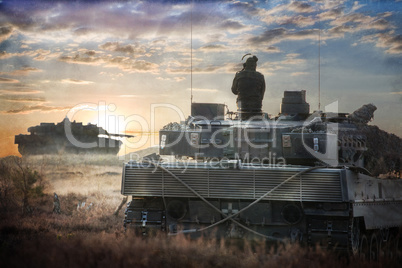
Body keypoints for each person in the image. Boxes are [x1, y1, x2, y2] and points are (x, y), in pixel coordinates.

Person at [231, 55, 266, 120]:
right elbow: (262, 94)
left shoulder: (239, 75)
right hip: (256, 107)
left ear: (245, 65)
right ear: (255, 66)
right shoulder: (260, 76)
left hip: (242, 107)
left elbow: (234, 91)